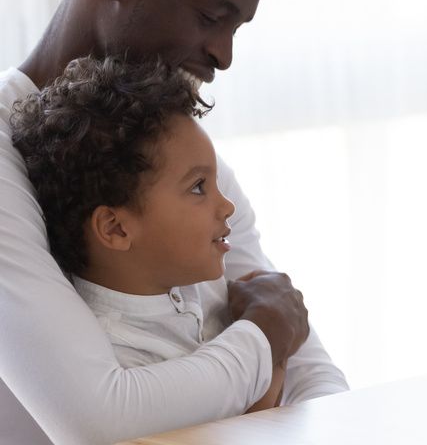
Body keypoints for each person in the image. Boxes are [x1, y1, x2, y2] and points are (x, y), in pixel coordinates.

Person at [0, 0, 347, 444]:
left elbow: (314, 371)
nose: (224, 55)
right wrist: (263, 338)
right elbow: (95, 419)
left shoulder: (185, 154)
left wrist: (279, 350)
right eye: (212, 17)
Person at [11, 56, 291, 413]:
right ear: (116, 228)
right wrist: (272, 339)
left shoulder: (198, 288)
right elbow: (244, 424)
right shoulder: (119, 354)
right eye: (198, 187)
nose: (227, 207)